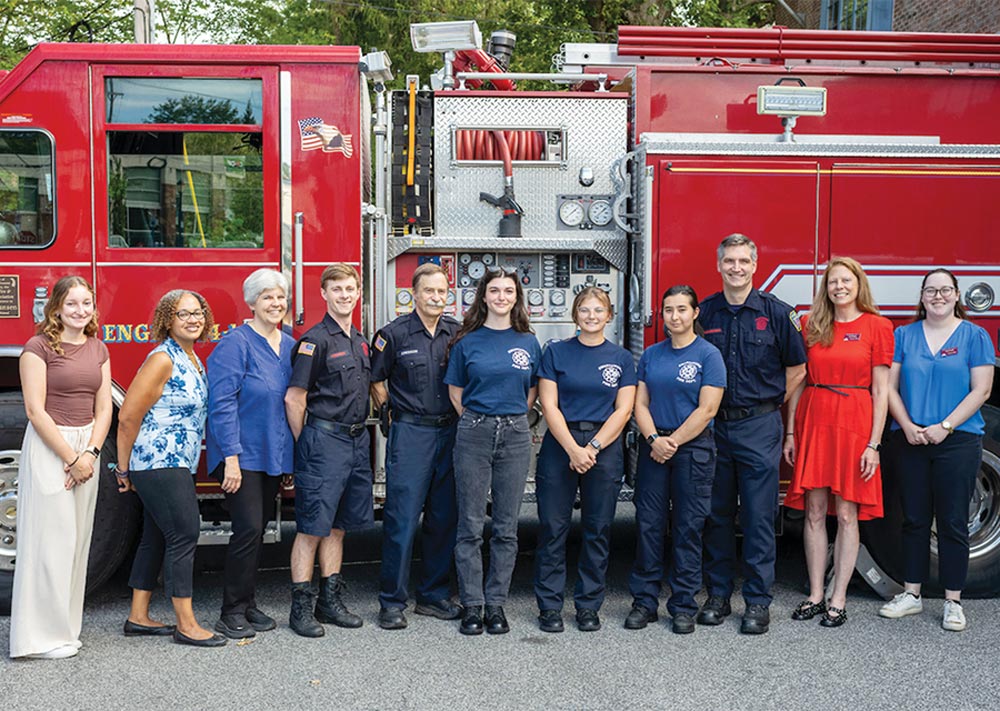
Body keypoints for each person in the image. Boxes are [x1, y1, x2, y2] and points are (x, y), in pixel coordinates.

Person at [698, 233, 807, 635]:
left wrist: (772, 403)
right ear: (719, 265)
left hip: (760, 425)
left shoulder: (777, 313)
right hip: (714, 426)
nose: (737, 268)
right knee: (717, 514)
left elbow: (798, 367)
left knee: (760, 517)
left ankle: (758, 602)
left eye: (743, 261)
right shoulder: (705, 313)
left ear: (755, 265)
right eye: (730, 261)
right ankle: (718, 595)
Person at [879, 269, 993, 631]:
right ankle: (911, 594)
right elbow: (888, 388)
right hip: (911, 439)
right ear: (922, 296)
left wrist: (945, 427)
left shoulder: (976, 336)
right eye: (931, 290)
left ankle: (952, 601)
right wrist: (909, 426)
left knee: (952, 521)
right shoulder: (903, 336)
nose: (938, 296)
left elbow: (982, 391)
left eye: (945, 290)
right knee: (912, 519)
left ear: (957, 295)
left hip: (957, 441)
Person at [784, 257, 893, 628]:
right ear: (825, 288)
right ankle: (815, 594)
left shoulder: (878, 326)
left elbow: (881, 390)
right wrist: (790, 431)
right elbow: (799, 380)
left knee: (847, 513)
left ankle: (838, 598)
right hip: (815, 419)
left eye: (846, 281)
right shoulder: (812, 326)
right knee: (813, 511)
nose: (839, 287)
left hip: (854, 423)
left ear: (858, 284)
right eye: (833, 282)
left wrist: (873, 444)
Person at [9, 276, 111, 660]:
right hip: (52, 448)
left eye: (86, 303)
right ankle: (36, 640)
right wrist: (70, 457)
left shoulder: (98, 348)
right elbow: (35, 411)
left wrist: (90, 454)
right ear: (56, 309)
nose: (80, 311)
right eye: (72, 304)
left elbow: (104, 409)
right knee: (49, 543)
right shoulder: (37, 348)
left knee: (76, 543)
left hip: (88, 449)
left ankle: (65, 631)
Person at [116, 290, 225, 647]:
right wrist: (122, 468)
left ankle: (138, 616)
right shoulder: (163, 358)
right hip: (158, 460)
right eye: (183, 314)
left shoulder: (191, 357)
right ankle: (186, 624)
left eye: (198, 313)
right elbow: (129, 416)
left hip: (178, 460)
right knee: (185, 533)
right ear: (167, 320)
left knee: (157, 535)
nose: (193, 319)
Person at [444, 267, 541, 636]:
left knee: (505, 527)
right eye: (495, 290)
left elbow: (532, 390)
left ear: (517, 297)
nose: (502, 296)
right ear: (483, 297)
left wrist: (512, 415)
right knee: (469, 524)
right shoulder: (467, 341)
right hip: (474, 431)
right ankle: (473, 605)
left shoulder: (528, 341)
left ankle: (496, 604)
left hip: (515, 434)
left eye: (508, 291)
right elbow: (456, 391)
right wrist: (476, 420)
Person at [534, 287, 636, 633]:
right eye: (584, 310)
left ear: (609, 316)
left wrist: (591, 448)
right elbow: (549, 405)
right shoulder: (556, 353)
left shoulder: (621, 358)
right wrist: (573, 449)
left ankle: (588, 605)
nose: (591, 316)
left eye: (598, 310)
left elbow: (623, 411)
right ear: (574, 315)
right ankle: (549, 607)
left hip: (603, 447)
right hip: (560, 444)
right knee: (552, 528)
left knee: (598, 530)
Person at [626, 285, 725, 634]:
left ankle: (683, 604)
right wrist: (654, 439)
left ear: (695, 313)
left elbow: (708, 408)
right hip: (655, 447)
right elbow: (640, 403)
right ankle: (645, 602)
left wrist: (673, 441)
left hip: (693, 450)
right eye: (668, 310)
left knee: (687, 529)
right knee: (649, 527)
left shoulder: (708, 355)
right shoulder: (652, 354)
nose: (674, 316)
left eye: (682, 309)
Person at [370, 263, 463, 630]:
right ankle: (392, 601)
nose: (437, 298)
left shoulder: (456, 333)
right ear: (414, 294)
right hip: (411, 434)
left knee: (444, 518)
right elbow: (377, 382)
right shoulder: (392, 335)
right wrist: (393, 415)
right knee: (402, 519)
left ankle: (433, 595)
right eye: (430, 291)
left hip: (450, 432)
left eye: (442, 292)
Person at [205, 269, 295, 639]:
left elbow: (291, 402)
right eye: (267, 298)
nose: (275, 304)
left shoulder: (288, 344)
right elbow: (221, 403)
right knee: (248, 529)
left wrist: (287, 460)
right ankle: (231, 611)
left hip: (274, 453)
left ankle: (249, 603)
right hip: (243, 456)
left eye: (280, 297)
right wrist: (230, 457)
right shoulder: (234, 344)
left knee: (259, 533)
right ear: (252, 303)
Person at [285, 263, 373, 637]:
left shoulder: (359, 339)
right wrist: (308, 442)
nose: (344, 295)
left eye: (350, 288)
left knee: (338, 528)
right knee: (311, 528)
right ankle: (300, 609)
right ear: (323, 294)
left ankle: (329, 601)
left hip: (356, 441)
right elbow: (294, 399)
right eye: (336, 289)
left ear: (358, 293)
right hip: (324, 441)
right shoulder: (314, 340)